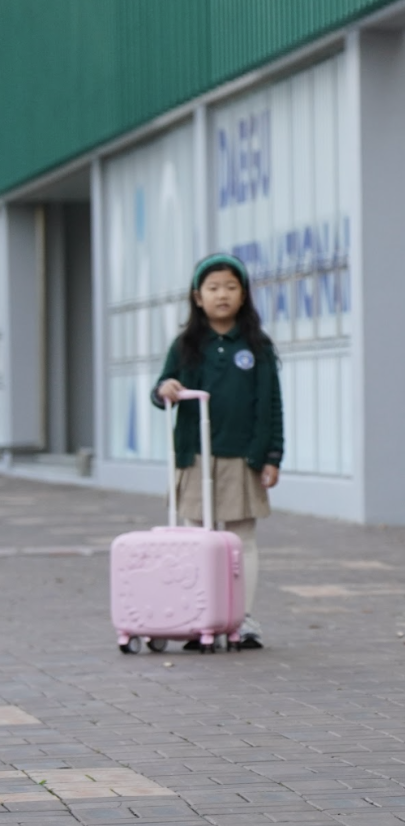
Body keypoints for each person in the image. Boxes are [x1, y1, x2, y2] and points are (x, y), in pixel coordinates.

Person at [151, 253, 284, 649]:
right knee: (196, 537)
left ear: (243, 296)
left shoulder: (257, 347)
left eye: (230, 287)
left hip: (242, 456)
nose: (221, 294)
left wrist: (272, 456)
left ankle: (241, 620)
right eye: (213, 288)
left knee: (243, 538)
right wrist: (166, 389)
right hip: (194, 455)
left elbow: (271, 404)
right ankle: (199, 616)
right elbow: (162, 390)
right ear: (197, 297)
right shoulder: (186, 345)